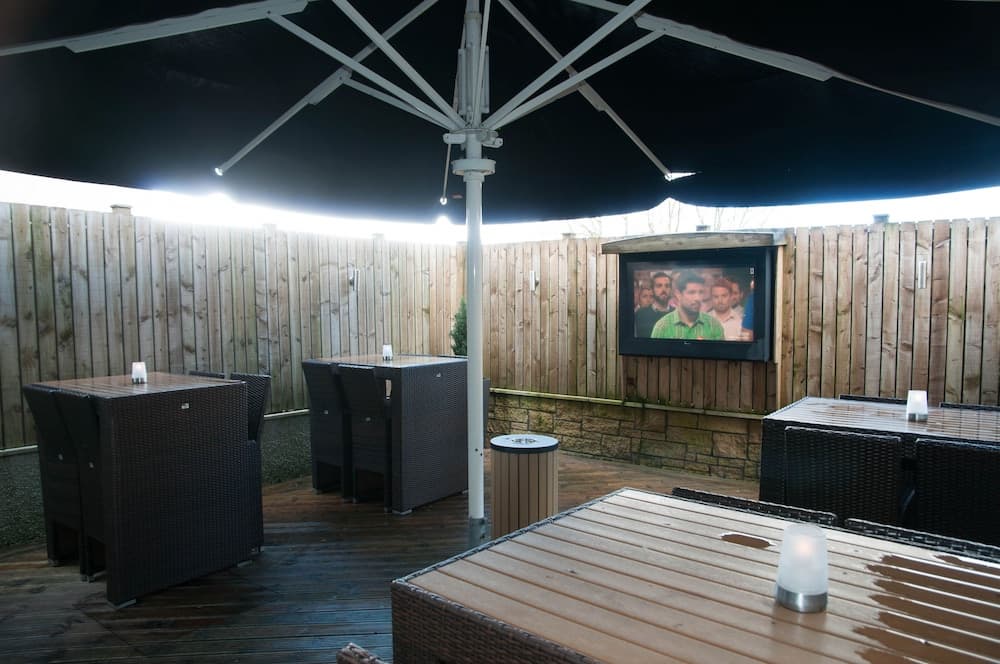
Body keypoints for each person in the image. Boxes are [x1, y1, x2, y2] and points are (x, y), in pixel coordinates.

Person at [651, 271, 725, 340]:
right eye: (691, 292)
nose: (697, 298)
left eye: (701, 292)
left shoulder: (713, 325)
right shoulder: (662, 326)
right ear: (678, 294)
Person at [634, 271, 675, 337]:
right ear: (652, 290)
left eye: (667, 286)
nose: (663, 289)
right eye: (659, 286)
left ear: (671, 290)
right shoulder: (640, 314)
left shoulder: (678, 313)